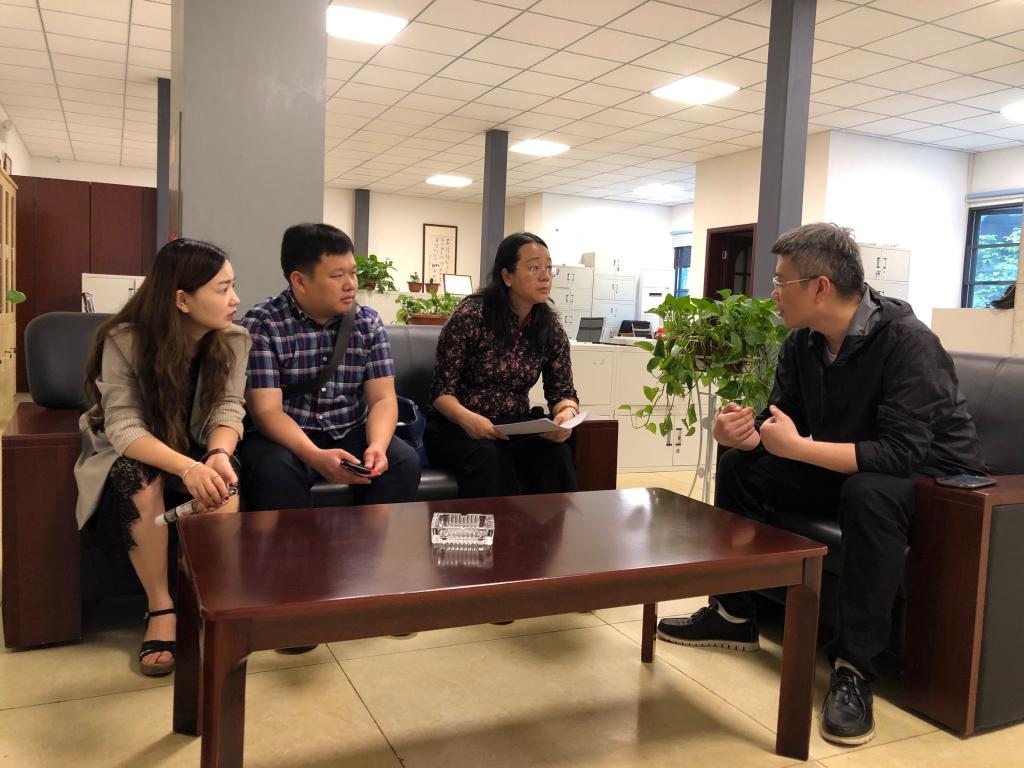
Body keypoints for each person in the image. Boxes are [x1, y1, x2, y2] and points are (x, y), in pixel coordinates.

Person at [656, 222, 985, 746]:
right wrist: (742, 434)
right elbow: (781, 421)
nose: (772, 293)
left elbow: (900, 454)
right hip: (851, 466)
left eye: (780, 281)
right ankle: (734, 613)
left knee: (868, 492)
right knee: (743, 468)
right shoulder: (802, 344)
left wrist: (798, 448)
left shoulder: (908, 342)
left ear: (820, 287)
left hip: (936, 485)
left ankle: (854, 670)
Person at [75, 238, 249, 677]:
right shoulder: (124, 340)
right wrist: (187, 467)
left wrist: (218, 454)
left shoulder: (234, 339)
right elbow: (124, 428)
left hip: (198, 444)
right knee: (136, 475)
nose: (235, 299)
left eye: (233, 286)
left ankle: (200, 599)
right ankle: (160, 607)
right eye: (223, 289)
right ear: (182, 300)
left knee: (223, 479)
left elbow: (229, 408)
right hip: (135, 448)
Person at [239, 223, 420, 512]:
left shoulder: (367, 323)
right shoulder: (264, 324)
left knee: (403, 461)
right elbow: (267, 411)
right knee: (273, 471)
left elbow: (383, 398)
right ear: (300, 281)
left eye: (353, 273)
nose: (351, 284)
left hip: (351, 429)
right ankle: (296, 544)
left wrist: (377, 445)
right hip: (287, 435)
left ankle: (369, 542)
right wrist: (313, 455)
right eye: (337, 276)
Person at [425, 231, 580, 498]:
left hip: (514, 427)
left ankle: (553, 528)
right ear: (507, 276)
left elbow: (562, 391)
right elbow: (442, 392)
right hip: (461, 426)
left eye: (549, 268)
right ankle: (497, 528)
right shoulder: (471, 316)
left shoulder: (550, 327)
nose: (545, 276)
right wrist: (469, 420)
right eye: (534, 268)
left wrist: (567, 413)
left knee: (557, 455)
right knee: (490, 460)